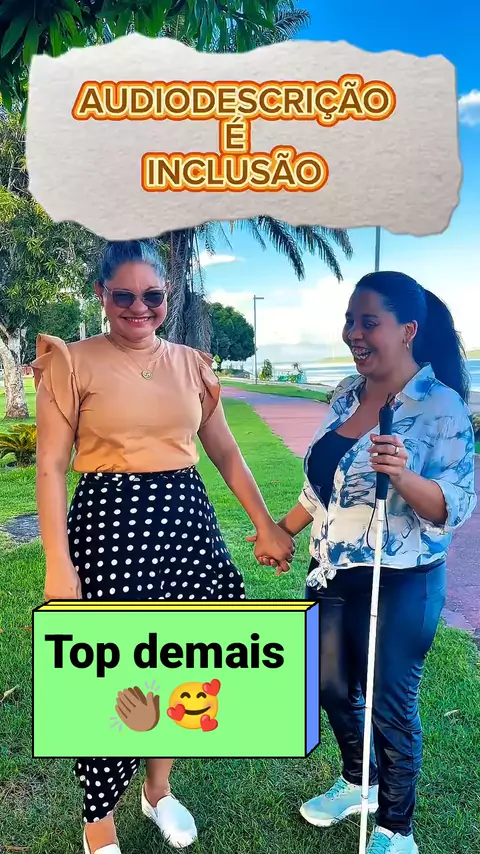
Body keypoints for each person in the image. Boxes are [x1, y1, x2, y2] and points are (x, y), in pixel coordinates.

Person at [32, 239, 294, 854]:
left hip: (185, 529)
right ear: (102, 295)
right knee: (109, 675)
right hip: (108, 533)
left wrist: (264, 523)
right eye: (124, 295)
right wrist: (58, 565)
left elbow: (224, 450)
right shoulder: (71, 362)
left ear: (167, 296)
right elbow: (50, 467)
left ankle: (157, 790)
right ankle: (99, 821)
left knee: (184, 665)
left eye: (152, 295)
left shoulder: (191, 365)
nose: (139, 307)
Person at [251, 272, 476, 854]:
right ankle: (360, 782)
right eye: (350, 320)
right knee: (329, 685)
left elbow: (454, 506)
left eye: (368, 322)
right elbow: (321, 487)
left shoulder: (440, 406)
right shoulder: (346, 394)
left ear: (407, 330)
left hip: (399, 580)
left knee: (389, 703)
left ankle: (396, 830)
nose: (353, 332)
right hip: (330, 570)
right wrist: (281, 531)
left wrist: (402, 476)